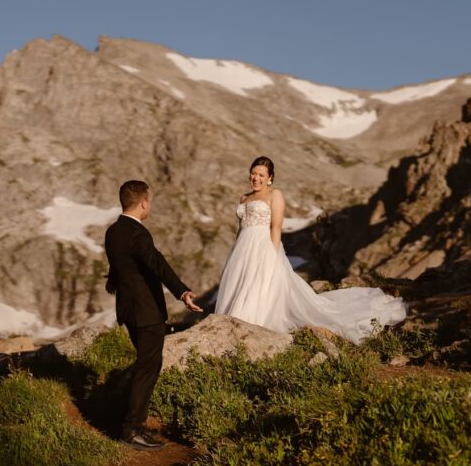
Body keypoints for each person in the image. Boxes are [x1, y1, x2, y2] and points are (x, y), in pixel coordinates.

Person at [214, 157, 406, 342]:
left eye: (261, 175)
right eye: (253, 173)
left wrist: (271, 256)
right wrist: (234, 255)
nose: (256, 178)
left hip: (263, 246)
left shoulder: (275, 195)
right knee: (239, 285)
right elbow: (241, 229)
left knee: (259, 286)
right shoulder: (243, 198)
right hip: (242, 249)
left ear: (270, 178)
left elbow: (276, 227)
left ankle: (248, 324)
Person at [104, 180, 201, 450]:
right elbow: (157, 263)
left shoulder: (113, 231)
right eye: (151, 200)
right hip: (146, 311)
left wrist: (113, 280)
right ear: (144, 202)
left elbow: (119, 262)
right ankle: (131, 429)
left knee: (147, 364)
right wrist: (182, 292)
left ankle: (136, 424)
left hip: (128, 310)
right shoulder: (138, 233)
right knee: (148, 367)